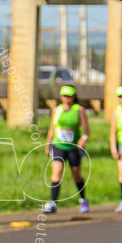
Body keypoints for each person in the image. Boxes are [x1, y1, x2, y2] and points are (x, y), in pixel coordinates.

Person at [43, 84, 90, 214]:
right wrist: (48, 145)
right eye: (64, 96)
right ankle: (53, 202)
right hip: (58, 145)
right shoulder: (56, 110)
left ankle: (83, 199)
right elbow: (52, 129)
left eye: (69, 96)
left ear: (74, 97)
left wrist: (83, 139)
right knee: (57, 172)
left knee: (76, 175)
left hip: (73, 148)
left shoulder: (79, 110)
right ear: (61, 97)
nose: (66, 98)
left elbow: (86, 130)